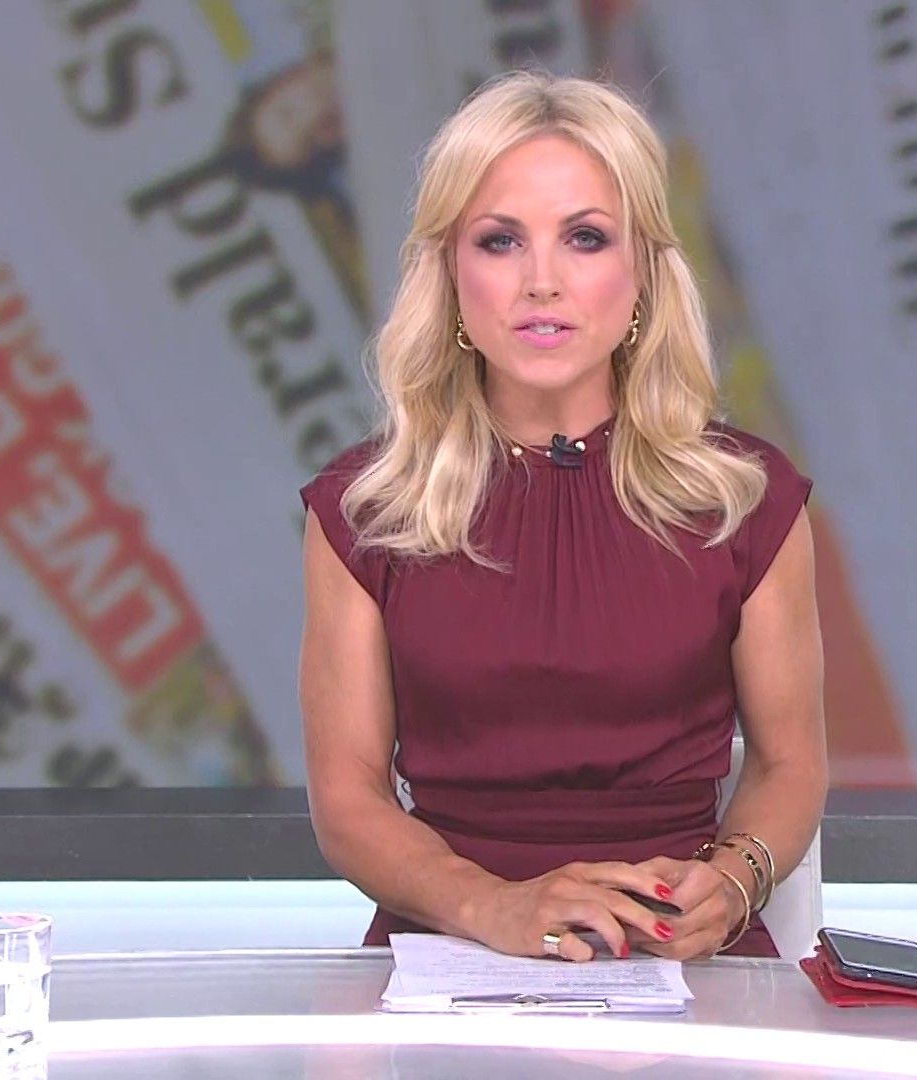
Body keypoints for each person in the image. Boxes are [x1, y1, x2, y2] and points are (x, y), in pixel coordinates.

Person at [297, 71, 826, 962]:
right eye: (500, 241)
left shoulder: (747, 498)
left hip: (678, 955)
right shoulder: (365, 511)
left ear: (642, 271)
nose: (541, 282)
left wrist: (736, 880)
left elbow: (790, 765)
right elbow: (347, 802)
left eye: (585, 238)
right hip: (448, 958)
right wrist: (492, 906)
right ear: (450, 273)